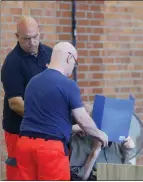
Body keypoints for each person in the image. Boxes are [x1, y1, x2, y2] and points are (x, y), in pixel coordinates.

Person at [15, 42, 108, 180]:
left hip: (24, 146)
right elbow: (82, 118)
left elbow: (45, 120)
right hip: (50, 149)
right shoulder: (68, 84)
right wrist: (99, 134)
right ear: (69, 58)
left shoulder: (33, 82)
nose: (73, 67)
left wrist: (72, 128)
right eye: (74, 63)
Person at [1, 15, 53, 180]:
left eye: (35, 37)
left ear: (39, 33)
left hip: (45, 130)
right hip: (19, 131)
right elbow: (16, 103)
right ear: (17, 37)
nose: (32, 42)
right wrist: (45, 118)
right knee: (21, 175)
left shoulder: (50, 54)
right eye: (26, 39)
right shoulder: (12, 63)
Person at [69, 103, 135, 181]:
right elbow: (79, 178)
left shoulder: (115, 140)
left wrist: (126, 150)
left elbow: (125, 170)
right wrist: (95, 151)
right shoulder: (78, 141)